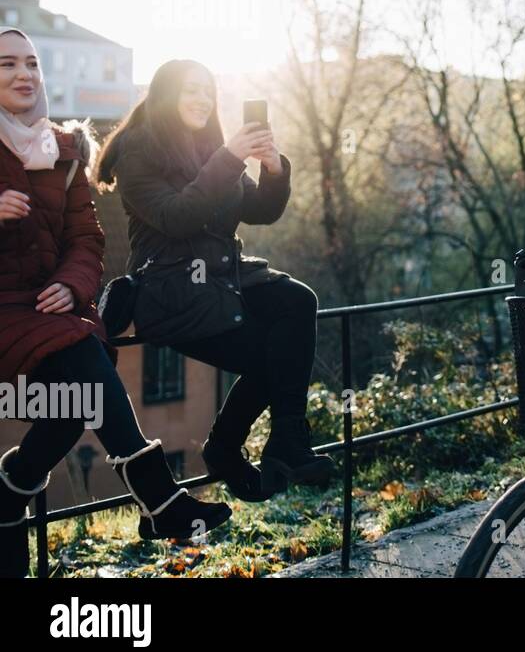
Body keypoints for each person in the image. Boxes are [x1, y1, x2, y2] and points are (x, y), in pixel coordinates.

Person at [0, 28, 230, 578]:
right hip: (6, 308)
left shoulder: (66, 149)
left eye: (32, 63)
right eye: (7, 64)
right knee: (83, 345)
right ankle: (157, 497)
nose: (23, 74)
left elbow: (87, 239)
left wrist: (74, 286)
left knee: (75, 400)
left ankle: (11, 489)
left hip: (49, 306)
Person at [94, 59, 333, 500]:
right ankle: (227, 447)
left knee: (298, 301)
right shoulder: (138, 152)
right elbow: (177, 217)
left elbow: (260, 210)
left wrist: (273, 167)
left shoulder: (208, 147)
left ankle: (286, 439)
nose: (203, 99)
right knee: (270, 357)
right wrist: (228, 157)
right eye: (191, 90)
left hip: (225, 279)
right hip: (173, 293)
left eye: (208, 91)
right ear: (166, 95)